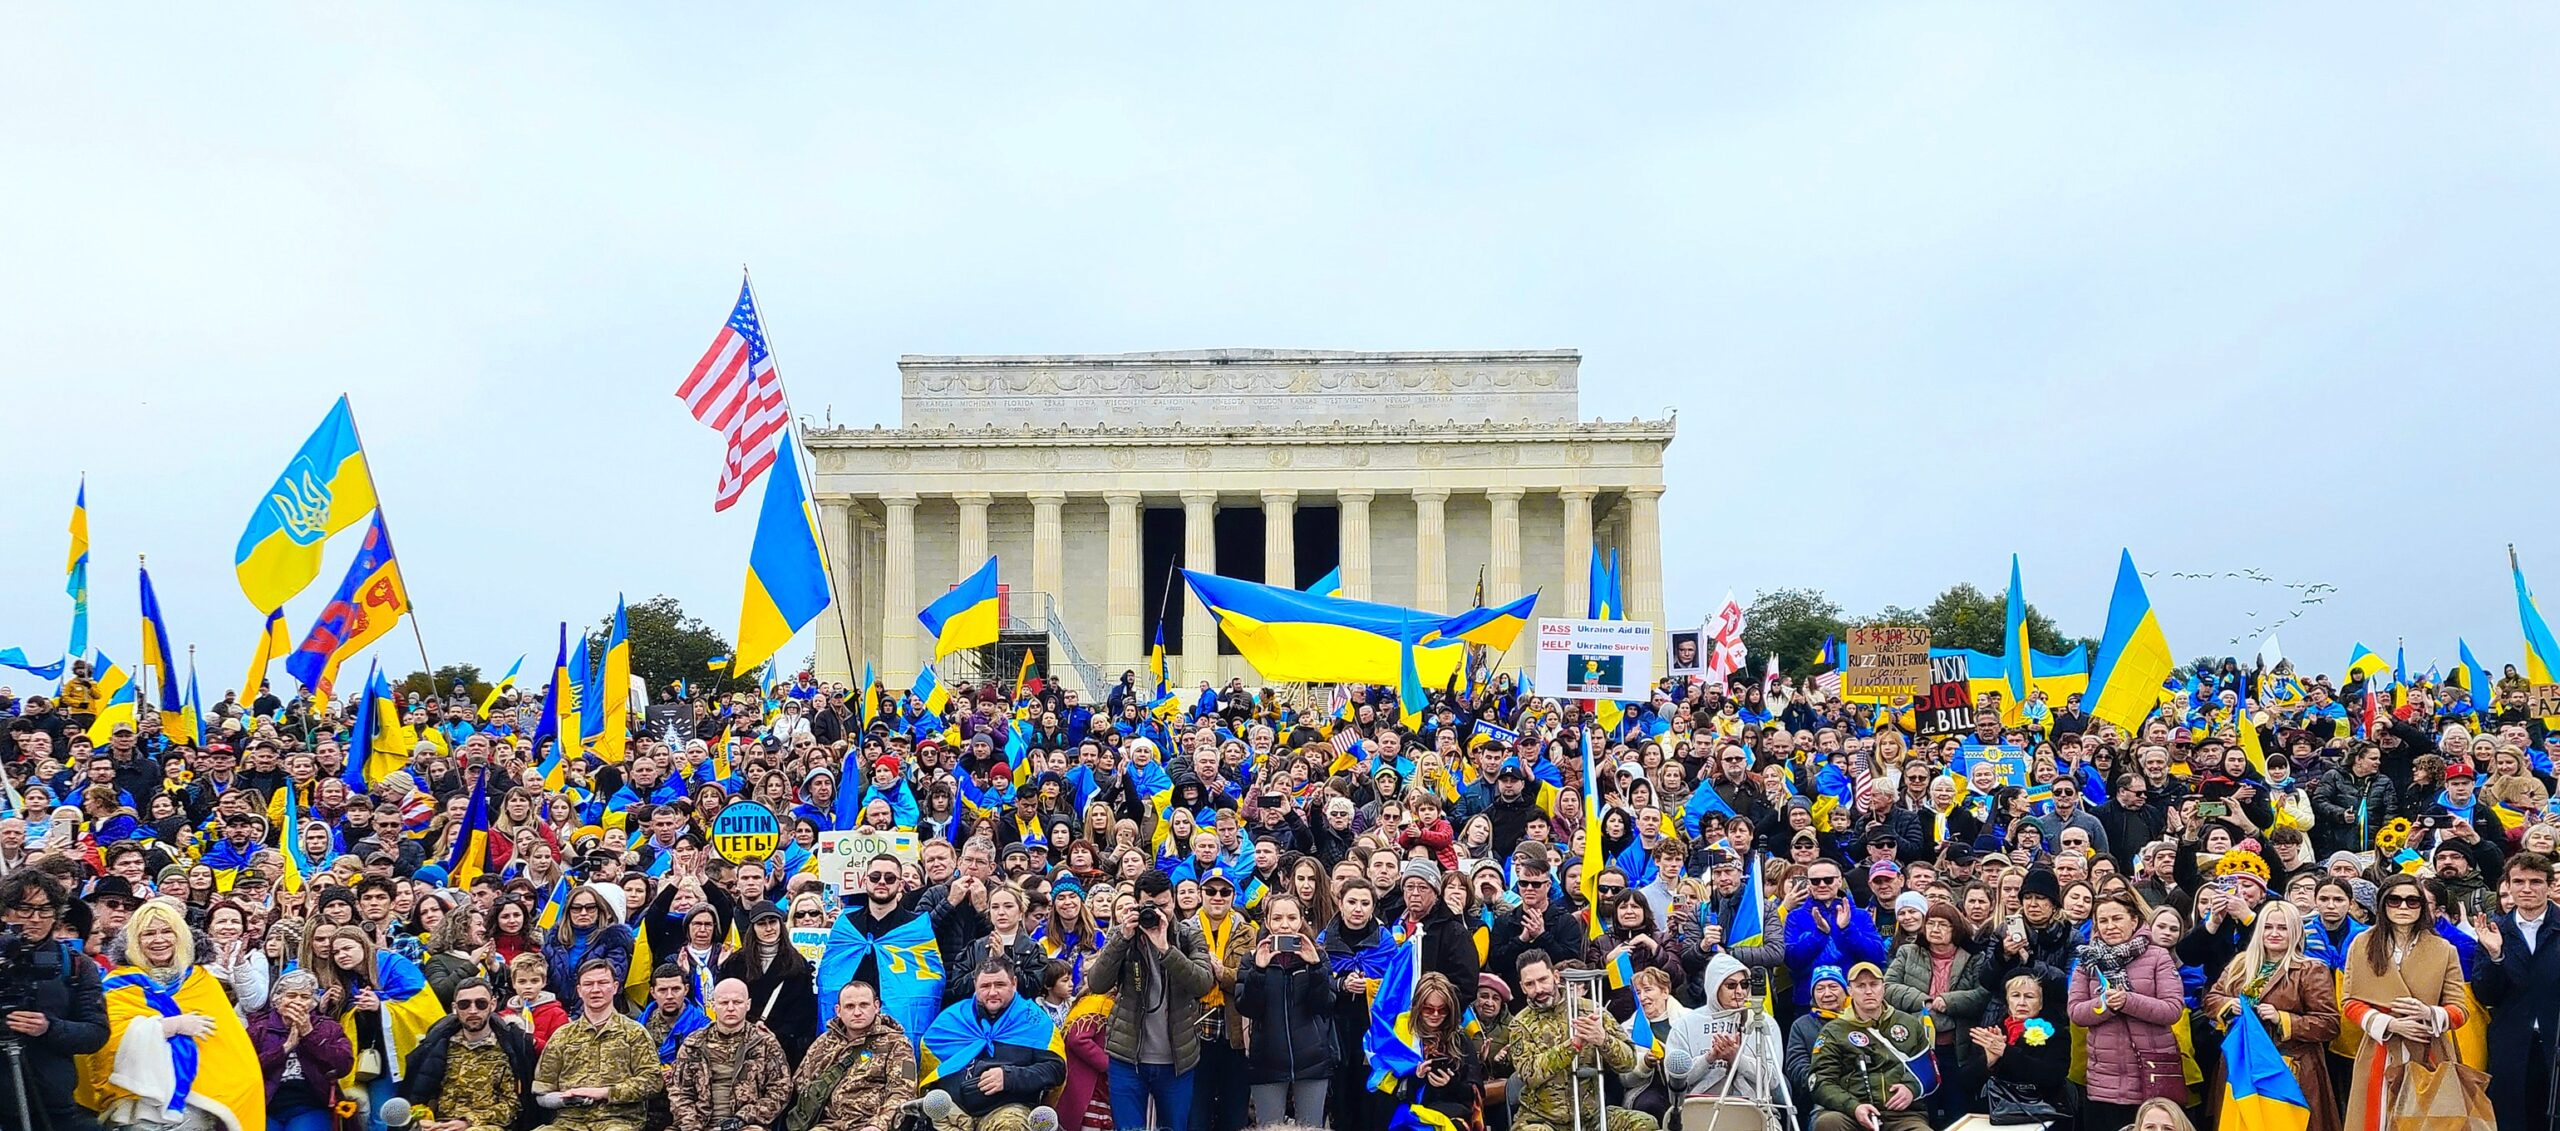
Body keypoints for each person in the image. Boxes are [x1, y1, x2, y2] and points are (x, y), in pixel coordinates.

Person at [79, 897, 267, 1131]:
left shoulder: (200, 981)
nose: (159, 940)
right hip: (137, 1102)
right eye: (148, 934)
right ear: (134, 942)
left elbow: (229, 1047)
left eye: (167, 931)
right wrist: (167, 1027)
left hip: (197, 1100)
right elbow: (105, 1044)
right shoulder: (119, 985)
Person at [2341, 873, 2472, 1131]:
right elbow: (2349, 1001)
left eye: (2413, 901)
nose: (2403, 907)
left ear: (2423, 907)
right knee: (2376, 1121)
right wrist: (2390, 1024)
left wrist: (2429, 1013)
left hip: (2428, 1049)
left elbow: (2460, 1009)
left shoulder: (2444, 949)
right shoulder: (2362, 944)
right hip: (2379, 1049)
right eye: (2395, 900)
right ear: (2382, 904)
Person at [1085, 869, 1212, 1131]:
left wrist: (1166, 949)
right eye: (1149, 906)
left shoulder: (1189, 936)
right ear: (1137, 904)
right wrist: (1122, 938)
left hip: (1177, 1059)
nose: (1158, 913)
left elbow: (1202, 983)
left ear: (1174, 901)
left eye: (1164, 905)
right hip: (1128, 1057)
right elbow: (1097, 983)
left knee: (1174, 1128)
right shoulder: (1124, 936)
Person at [2202, 899, 2340, 1131]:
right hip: (2241, 1067)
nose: (2274, 933)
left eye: (2283, 928)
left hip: (2288, 1068)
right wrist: (2228, 1005)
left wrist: (2283, 1019)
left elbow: (2329, 1024)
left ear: (2295, 931)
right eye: (2268, 926)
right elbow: (2210, 999)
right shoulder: (2240, 964)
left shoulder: (2311, 969)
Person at [1485, 948, 1657, 1131]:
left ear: (1556, 977)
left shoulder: (1591, 1010)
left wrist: (1603, 1040)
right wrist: (1572, 1045)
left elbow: (1629, 1062)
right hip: (1543, 1119)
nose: (1539, 989)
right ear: (1522, 987)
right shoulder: (1520, 1024)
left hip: (1592, 1117)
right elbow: (1530, 1075)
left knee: (1645, 1124)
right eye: (1530, 984)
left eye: (1543, 980)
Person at [2069, 892, 2189, 1129]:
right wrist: (2105, 1005)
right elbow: (2076, 1011)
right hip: (2105, 1083)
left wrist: (2128, 1001)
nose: (2110, 926)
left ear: (2133, 921)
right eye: (2103, 921)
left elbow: (2173, 1008)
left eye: (2117, 918)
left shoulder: (2157, 956)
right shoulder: (2087, 961)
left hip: (2152, 1078)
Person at [0, 868, 108, 1131]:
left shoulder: (75, 964)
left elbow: (96, 1033)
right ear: (5, 912)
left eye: (45, 910)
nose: (36, 919)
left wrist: (49, 1027)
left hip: (52, 1106)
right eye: (25, 909)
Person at [915, 963, 1066, 1131]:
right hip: (954, 1111)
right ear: (975, 986)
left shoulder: (1034, 1021)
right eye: (985, 986)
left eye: (1000, 985)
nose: (992, 992)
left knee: (1011, 1125)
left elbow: (1056, 1070)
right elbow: (929, 1069)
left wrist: (1009, 1077)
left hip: (1005, 1110)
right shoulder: (952, 1018)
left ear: (1014, 983)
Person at [2474, 850, 2560, 1131]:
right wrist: (2496, 956)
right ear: (2507, 886)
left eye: (2535, 882)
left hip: (2556, 1042)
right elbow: (2485, 993)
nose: (2526, 889)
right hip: (2511, 1045)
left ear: (2549, 885)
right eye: (2518, 881)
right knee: (2512, 1120)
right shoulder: (2494, 929)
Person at [1233, 893, 1334, 1124]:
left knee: (1311, 1127)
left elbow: (1325, 1004)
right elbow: (1247, 1007)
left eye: (1291, 917)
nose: (1285, 925)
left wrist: (1315, 966)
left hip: (1312, 1060)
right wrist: (1259, 970)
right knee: (1269, 1127)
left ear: (1301, 921)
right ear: (1267, 922)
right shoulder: (1251, 958)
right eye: (1277, 918)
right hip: (1267, 1060)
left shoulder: (1318, 956)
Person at [534, 958, 665, 1131]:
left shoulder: (634, 1033)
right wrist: (564, 1098)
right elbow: (542, 1091)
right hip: (569, 1122)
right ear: (579, 991)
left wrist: (605, 1093)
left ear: (615, 987)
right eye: (588, 984)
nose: (595, 990)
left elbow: (652, 1081)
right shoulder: (562, 1036)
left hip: (618, 1120)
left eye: (603, 983)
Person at [1806, 961, 1931, 1131]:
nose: (1868, 991)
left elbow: (1931, 1069)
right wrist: (1854, 1107)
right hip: (1850, 1112)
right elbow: (1820, 1081)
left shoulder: (1908, 1023)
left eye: (1874, 984)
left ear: (1884, 987)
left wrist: (1912, 1088)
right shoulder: (1833, 1031)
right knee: (1827, 1122)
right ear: (1850, 991)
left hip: (1901, 1114)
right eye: (1860, 986)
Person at [402, 976, 538, 1131]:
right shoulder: (437, 1045)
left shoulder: (510, 1046)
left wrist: (469, 1122)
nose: (473, 1010)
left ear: (492, 1004)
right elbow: (418, 1094)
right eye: (464, 1004)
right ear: (455, 1008)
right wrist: (420, 1120)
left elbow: (514, 1105)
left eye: (481, 1004)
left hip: (487, 1125)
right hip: (440, 1123)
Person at [669, 978, 794, 1131]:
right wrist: (692, 1126)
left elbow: (781, 1089)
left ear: (748, 1005)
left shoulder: (765, 1043)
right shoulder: (693, 1044)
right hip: (699, 1124)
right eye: (723, 1003)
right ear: (713, 1006)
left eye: (737, 1002)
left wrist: (743, 1118)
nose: (730, 1008)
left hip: (747, 1124)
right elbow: (679, 1092)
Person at [1665, 952, 1787, 1107]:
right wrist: (1709, 1058)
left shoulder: (1764, 1022)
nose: (1740, 992)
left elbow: (1774, 1081)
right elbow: (1675, 1080)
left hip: (1754, 1106)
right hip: (1701, 1105)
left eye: (1744, 984)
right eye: (1731, 985)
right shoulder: (1686, 1024)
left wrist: (1737, 1058)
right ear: (1714, 986)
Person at [250, 969, 358, 1131]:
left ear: (313, 1002)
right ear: (278, 1000)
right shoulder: (259, 1028)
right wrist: (285, 1049)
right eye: (291, 995)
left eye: (305, 997)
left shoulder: (327, 1027)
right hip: (265, 1104)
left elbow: (344, 1066)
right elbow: (245, 1069)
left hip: (310, 1104)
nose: (298, 1001)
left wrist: (309, 1034)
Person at [716, 900, 819, 1066]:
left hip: (781, 1048)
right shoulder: (736, 962)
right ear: (753, 928)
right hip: (739, 1043)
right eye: (762, 924)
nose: (769, 928)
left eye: (773, 922)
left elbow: (804, 1014)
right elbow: (723, 1001)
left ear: (780, 923)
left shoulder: (798, 964)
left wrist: (776, 1034)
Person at [1969, 974, 2069, 1124]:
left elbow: (2053, 1076)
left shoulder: (2056, 1033)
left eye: (2029, 996)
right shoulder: (1992, 1032)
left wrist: (2006, 1052)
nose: (2022, 1002)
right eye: (2015, 995)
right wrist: (1989, 1061)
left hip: (2041, 1113)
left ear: (2040, 1004)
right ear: (2007, 1001)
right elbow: (1966, 1083)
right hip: (1993, 1115)